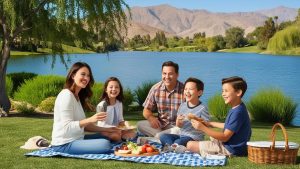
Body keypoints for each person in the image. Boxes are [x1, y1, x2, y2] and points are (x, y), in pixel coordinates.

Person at [51, 62, 121, 154]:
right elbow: (66, 127)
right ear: (73, 75)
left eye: (88, 76)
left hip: (78, 138)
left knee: (113, 134)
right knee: (105, 144)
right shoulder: (66, 95)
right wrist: (91, 119)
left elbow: (84, 126)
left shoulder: (77, 97)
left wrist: (108, 129)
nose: (86, 78)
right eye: (83, 74)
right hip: (64, 144)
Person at [187, 76, 251, 157]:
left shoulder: (237, 112)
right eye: (222, 91)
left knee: (190, 145)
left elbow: (225, 137)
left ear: (238, 92)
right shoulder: (238, 107)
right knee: (211, 137)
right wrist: (210, 124)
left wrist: (202, 128)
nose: (223, 94)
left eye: (226, 91)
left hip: (231, 149)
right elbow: (230, 126)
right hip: (232, 146)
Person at [160, 77, 210, 152]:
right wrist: (178, 122)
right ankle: (173, 147)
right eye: (185, 89)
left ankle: (171, 147)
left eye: (191, 89)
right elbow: (179, 125)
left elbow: (207, 125)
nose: (187, 91)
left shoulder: (202, 108)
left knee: (178, 142)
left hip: (194, 138)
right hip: (181, 135)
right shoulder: (182, 105)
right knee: (163, 136)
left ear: (199, 92)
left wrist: (198, 122)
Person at [137, 61, 185, 138]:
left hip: (177, 127)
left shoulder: (185, 90)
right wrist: (151, 118)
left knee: (177, 130)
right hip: (160, 126)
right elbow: (146, 110)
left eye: (170, 74)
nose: (167, 77)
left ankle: (159, 137)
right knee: (140, 125)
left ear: (177, 75)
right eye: (164, 73)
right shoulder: (156, 88)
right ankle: (162, 137)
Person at [96, 77, 136, 141]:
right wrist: (115, 128)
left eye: (117, 87)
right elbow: (101, 125)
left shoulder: (119, 103)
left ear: (119, 90)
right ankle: (121, 138)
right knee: (116, 136)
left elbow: (120, 120)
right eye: (111, 87)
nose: (114, 89)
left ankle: (122, 138)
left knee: (132, 133)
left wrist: (126, 125)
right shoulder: (102, 105)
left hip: (117, 130)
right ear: (106, 89)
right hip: (104, 130)